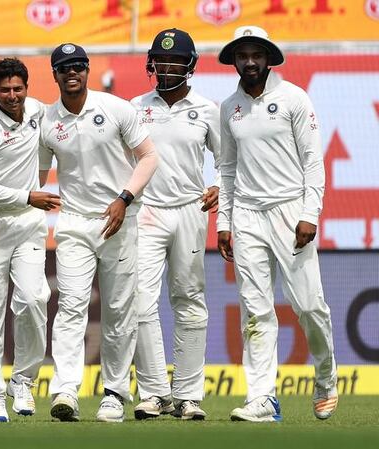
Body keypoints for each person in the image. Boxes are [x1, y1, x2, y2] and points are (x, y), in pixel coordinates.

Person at [216, 26, 337, 422]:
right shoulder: (229, 106)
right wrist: (225, 222)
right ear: (234, 60)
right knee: (255, 311)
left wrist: (308, 214)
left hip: (290, 211)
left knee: (308, 306)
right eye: (242, 55)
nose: (250, 62)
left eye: (257, 55)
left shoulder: (293, 98)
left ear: (269, 58)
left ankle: (325, 376)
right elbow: (228, 169)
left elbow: (313, 161)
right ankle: (263, 398)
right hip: (248, 216)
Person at [39, 43, 158, 422]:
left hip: (118, 220)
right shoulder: (46, 120)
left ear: (87, 70)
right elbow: (38, 177)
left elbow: (149, 157)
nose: (71, 72)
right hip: (74, 222)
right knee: (70, 307)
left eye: (78, 66)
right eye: (64, 67)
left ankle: (113, 393)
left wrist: (125, 197)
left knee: (120, 310)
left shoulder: (117, 108)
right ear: (54, 74)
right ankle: (65, 391)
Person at [130, 29, 220, 421]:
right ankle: (153, 393)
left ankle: (188, 395)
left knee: (189, 300)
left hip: (189, 209)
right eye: (160, 61)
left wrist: (219, 185)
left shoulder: (207, 109)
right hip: (146, 210)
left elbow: (230, 161)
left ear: (190, 65)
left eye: (175, 61)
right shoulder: (134, 107)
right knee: (138, 300)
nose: (166, 68)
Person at [0, 58, 60, 423]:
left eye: (17, 88)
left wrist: (33, 194)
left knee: (35, 298)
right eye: (4, 90)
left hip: (28, 226)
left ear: (27, 87)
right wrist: (28, 195)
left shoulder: (38, 111)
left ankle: (23, 381)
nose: (12, 96)